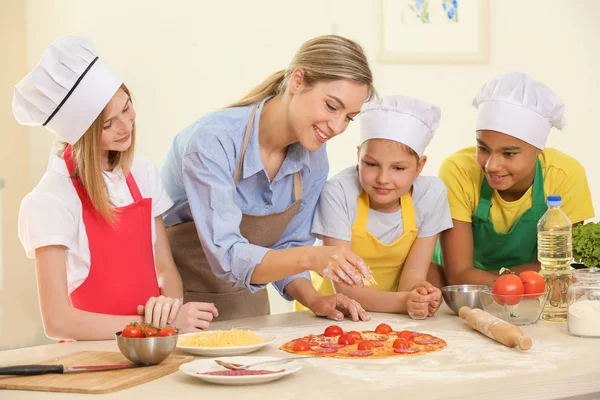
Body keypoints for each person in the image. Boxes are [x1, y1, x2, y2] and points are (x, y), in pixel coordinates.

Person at [161, 35, 376, 322]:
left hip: (249, 312)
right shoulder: (213, 142)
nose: (337, 127)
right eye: (331, 106)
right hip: (178, 310)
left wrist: (315, 299)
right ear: (297, 81)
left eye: (349, 117)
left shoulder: (313, 158)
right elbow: (226, 256)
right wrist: (313, 257)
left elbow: (287, 246)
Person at [15, 36, 217, 341]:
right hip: (91, 362)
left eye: (127, 107)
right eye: (109, 124)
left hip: (152, 351)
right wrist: (156, 327)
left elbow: (164, 268)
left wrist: (169, 307)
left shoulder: (142, 172)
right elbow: (57, 321)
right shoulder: (49, 201)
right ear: (82, 135)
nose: (127, 126)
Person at [294, 95, 450, 318]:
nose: (383, 179)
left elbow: (413, 276)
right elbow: (345, 289)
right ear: (359, 155)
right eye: (371, 164)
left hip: (390, 315)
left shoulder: (431, 195)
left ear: (419, 166)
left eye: (398, 168)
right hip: (332, 314)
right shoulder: (338, 192)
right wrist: (405, 302)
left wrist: (420, 295)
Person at [434, 72, 594, 286]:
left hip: (530, 294)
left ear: (538, 149)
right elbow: (459, 276)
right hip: (463, 296)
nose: (491, 166)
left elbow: (558, 266)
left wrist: (492, 279)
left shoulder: (565, 175)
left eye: (508, 153)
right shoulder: (457, 170)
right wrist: (532, 275)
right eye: (483, 148)